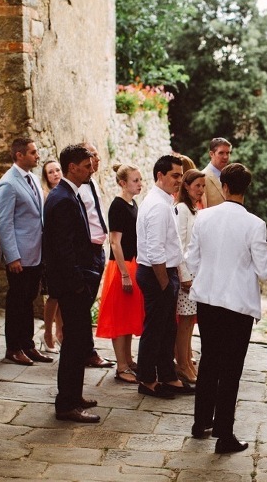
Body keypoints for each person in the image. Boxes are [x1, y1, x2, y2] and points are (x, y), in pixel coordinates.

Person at [186, 163, 267, 454]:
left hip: (208, 299)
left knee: (209, 360)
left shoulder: (203, 217)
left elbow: (193, 261)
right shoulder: (255, 224)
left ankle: (201, 423)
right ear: (245, 189)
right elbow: (264, 271)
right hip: (237, 304)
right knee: (232, 368)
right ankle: (224, 434)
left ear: (223, 186)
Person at [43, 144, 102, 423]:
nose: (91, 169)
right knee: (74, 343)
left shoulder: (69, 193)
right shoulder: (64, 198)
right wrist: (79, 284)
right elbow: (63, 249)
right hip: (72, 285)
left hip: (75, 282)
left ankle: (74, 395)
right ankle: (66, 404)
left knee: (78, 343)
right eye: (87, 165)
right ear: (72, 168)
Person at [135, 155, 194, 398]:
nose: (179, 180)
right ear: (160, 175)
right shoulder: (158, 206)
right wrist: (165, 285)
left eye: (181, 176)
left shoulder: (164, 200)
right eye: (175, 175)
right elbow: (155, 250)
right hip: (156, 273)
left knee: (167, 329)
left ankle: (168, 376)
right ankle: (147, 380)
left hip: (165, 272)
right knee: (155, 330)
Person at [0, 138, 52, 366]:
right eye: (33, 152)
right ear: (19, 155)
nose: (37, 156)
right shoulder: (8, 183)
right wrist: (13, 256)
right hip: (19, 255)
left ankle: (28, 345)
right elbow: (4, 222)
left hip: (35, 253)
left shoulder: (33, 179)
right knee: (17, 301)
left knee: (29, 300)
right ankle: (13, 348)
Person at [95, 164, 145, 384]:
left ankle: (128, 359)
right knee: (119, 317)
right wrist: (125, 274)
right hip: (122, 266)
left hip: (132, 264)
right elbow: (115, 242)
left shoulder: (133, 204)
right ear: (123, 183)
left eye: (140, 180)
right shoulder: (117, 206)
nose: (140, 184)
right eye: (135, 180)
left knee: (128, 316)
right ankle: (121, 366)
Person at [79, 141, 116, 369]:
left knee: (88, 301)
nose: (97, 159)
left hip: (97, 250)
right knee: (83, 305)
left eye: (97, 154)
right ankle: (86, 352)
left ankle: (85, 349)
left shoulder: (91, 183)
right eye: (92, 155)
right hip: (87, 251)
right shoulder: (78, 188)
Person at [174, 169, 206, 384]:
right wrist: (184, 275)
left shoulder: (196, 210)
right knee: (185, 321)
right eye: (197, 186)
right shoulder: (181, 209)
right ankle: (182, 364)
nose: (201, 190)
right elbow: (179, 244)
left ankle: (187, 360)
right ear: (186, 186)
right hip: (186, 273)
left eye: (203, 186)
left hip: (197, 271)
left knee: (190, 321)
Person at [40, 159, 63, 353]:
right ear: (46, 177)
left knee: (61, 295)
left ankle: (60, 332)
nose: (55, 174)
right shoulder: (46, 195)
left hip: (63, 251)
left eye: (57, 170)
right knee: (54, 294)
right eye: (51, 172)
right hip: (51, 252)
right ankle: (47, 333)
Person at [202, 137, 231, 207]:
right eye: (221, 153)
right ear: (211, 154)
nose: (225, 157)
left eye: (228, 153)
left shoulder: (231, 177)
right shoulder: (202, 177)